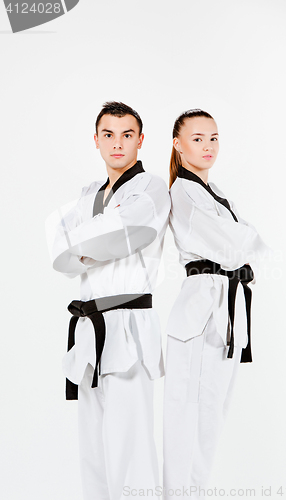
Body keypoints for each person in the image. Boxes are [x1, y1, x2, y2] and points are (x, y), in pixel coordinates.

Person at [46, 101, 170, 500]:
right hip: (88, 330)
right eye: (108, 134)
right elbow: (58, 251)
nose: (117, 143)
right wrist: (95, 240)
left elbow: (131, 231)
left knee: (130, 449)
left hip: (129, 328)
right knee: (93, 451)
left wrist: (83, 244)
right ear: (96, 141)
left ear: (140, 140)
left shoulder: (150, 186)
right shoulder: (87, 194)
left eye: (127, 134)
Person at [163, 109, 270, 499]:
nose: (208, 146)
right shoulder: (181, 191)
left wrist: (244, 244)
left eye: (213, 138)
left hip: (228, 311)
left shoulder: (217, 192)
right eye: (197, 138)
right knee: (186, 412)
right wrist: (245, 243)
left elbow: (246, 246)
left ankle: (196, 493)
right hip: (199, 312)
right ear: (178, 144)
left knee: (212, 415)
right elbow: (234, 243)